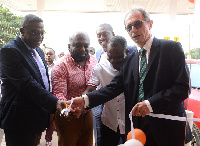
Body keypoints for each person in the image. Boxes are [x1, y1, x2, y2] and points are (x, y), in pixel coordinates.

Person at [69, 7, 193, 146]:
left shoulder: (171, 48)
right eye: (129, 27)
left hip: (168, 130)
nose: (133, 29)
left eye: (137, 24)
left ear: (150, 23)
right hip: (139, 132)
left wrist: (151, 104)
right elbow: (112, 88)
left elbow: (183, 87)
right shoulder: (130, 59)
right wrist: (85, 100)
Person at [0, 14, 65, 146]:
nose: (40, 37)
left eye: (42, 33)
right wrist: (55, 103)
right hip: (19, 120)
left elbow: (42, 81)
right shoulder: (10, 51)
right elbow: (27, 84)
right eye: (35, 33)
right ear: (22, 31)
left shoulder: (39, 51)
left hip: (36, 117)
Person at [93, 23, 137, 146]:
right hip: (109, 117)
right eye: (98, 35)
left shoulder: (134, 55)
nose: (113, 62)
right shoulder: (98, 58)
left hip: (129, 119)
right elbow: (99, 87)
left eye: (104, 34)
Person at [51, 31, 97, 146]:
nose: (83, 49)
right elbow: (59, 93)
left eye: (86, 46)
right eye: (78, 45)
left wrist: (85, 107)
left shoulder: (94, 62)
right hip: (69, 117)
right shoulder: (60, 66)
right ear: (69, 46)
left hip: (88, 113)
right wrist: (71, 109)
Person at [83, 36, 129, 146]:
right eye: (110, 57)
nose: (113, 61)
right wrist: (82, 101)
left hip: (130, 123)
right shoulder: (100, 68)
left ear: (126, 52)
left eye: (118, 58)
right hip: (109, 122)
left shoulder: (134, 67)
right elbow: (90, 89)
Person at [37, 48, 56, 146]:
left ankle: (48, 139)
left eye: (50, 54)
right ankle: (37, 138)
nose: (48, 56)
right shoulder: (40, 66)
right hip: (42, 95)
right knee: (40, 117)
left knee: (51, 119)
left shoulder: (57, 67)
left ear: (54, 55)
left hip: (52, 95)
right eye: (47, 54)